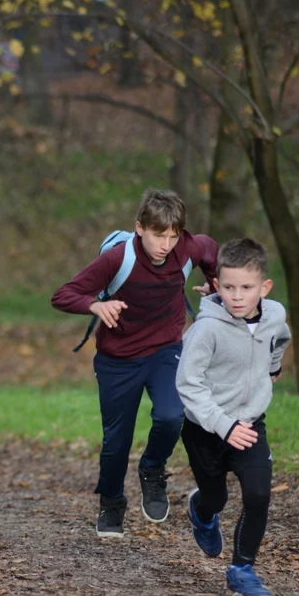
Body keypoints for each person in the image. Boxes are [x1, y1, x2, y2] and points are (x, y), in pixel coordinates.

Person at [51, 189, 218, 538]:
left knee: (172, 416)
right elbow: (62, 295)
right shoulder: (116, 259)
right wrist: (95, 306)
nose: (166, 245)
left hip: (165, 349)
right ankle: (111, 503)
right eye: (159, 235)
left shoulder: (188, 248)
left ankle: (152, 470)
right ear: (139, 228)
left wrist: (216, 281)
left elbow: (210, 249)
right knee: (116, 441)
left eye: (173, 236)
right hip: (118, 359)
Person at [176, 237, 290, 596]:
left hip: (251, 423)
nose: (237, 296)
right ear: (216, 285)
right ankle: (200, 511)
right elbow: (187, 384)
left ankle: (242, 571)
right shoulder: (206, 330)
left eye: (246, 288)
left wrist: (273, 366)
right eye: (228, 287)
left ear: (264, 287)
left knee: (258, 495)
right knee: (216, 497)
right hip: (204, 430)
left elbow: (281, 338)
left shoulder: (274, 315)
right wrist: (223, 425)